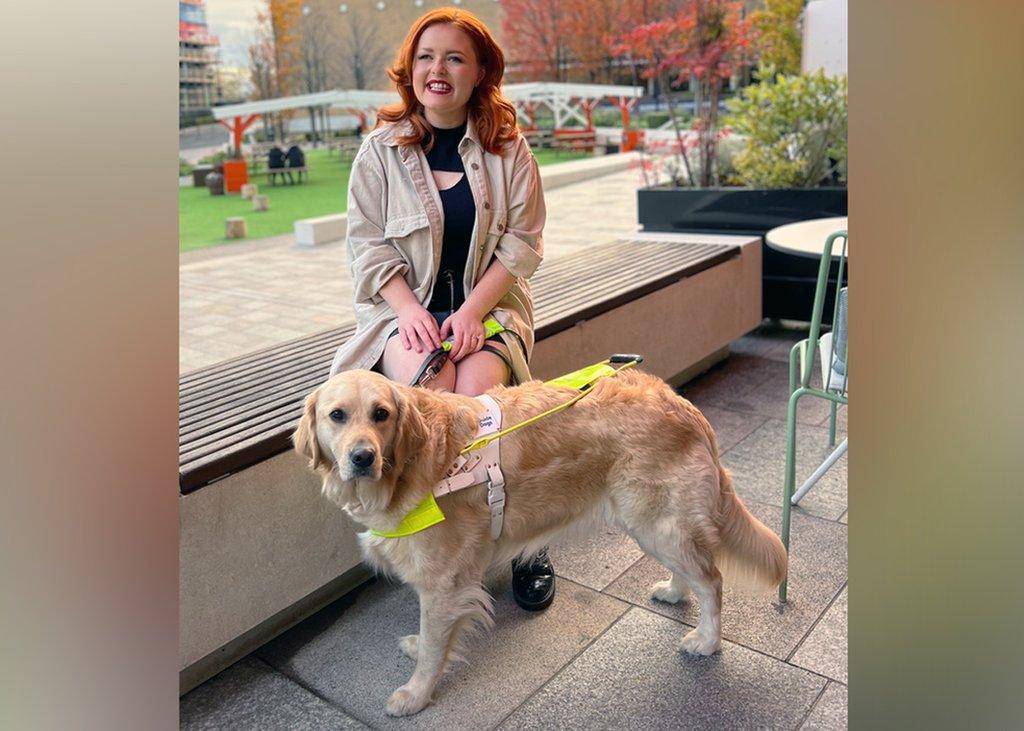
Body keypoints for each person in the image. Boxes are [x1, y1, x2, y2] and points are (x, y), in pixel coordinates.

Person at [327, 7, 555, 611]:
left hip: (490, 312)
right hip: (401, 314)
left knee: (483, 419)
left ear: (479, 71)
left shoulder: (510, 151)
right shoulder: (379, 153)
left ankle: (528, 547)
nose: (438, 69)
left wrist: (474, 313)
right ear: (411, 70)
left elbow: (523, 245)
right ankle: (440, 545)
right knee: (432, 391)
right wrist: (407, 311)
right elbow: (366, 245)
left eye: (455, 57)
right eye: (426, 57)